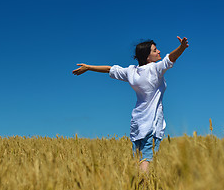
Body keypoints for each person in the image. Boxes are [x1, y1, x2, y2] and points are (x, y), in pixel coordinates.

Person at [72, 36, 189, 172]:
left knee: (137, 159)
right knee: (146, 160)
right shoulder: (155, 69)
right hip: (152, 123)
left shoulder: (131, 71)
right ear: (147, 57)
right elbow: (170, 59)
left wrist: (89, 67)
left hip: (137, 123)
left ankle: (134, 188)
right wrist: (181, 48)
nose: (159, 52)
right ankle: (143, 187)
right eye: (155, 50)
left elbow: (109, 69)